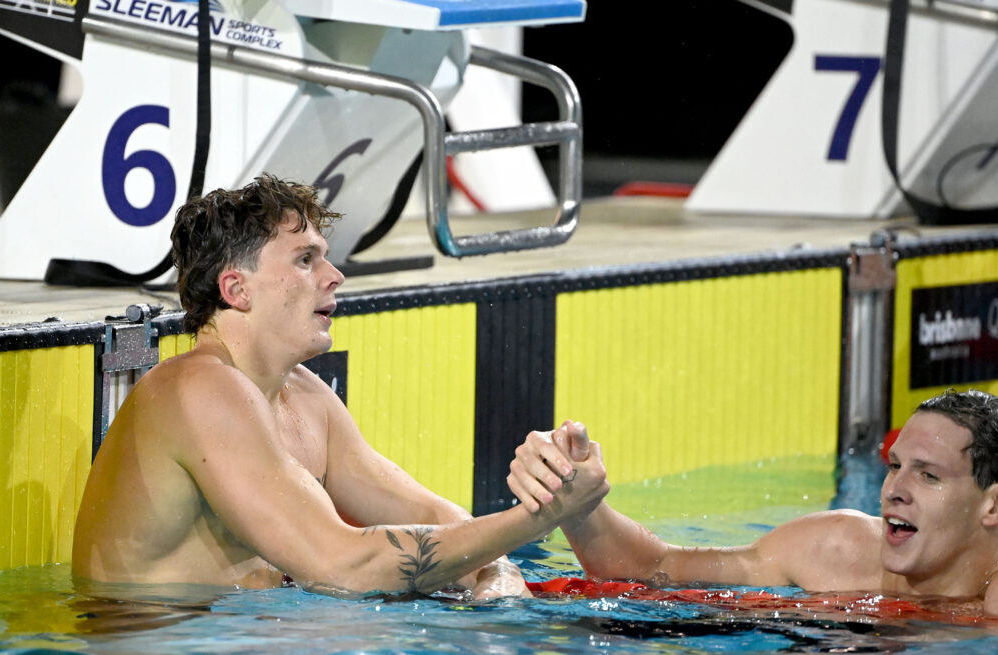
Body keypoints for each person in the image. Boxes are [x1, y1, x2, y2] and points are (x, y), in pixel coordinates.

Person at [72, 174, 609, 599]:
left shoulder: (302, 395)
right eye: (306, 260)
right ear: (236, 289)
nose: (334, 276)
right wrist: (537, 517)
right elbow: (343, 566)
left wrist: (496, 575)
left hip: (235, 649)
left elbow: (429, 514)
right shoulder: (195, 390)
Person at [508, 389, 998, 628]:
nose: (894, 490)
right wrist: (578, 505)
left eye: (928, 476)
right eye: (895, 466)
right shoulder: (833, 548)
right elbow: (654, 569)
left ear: (996, 504)